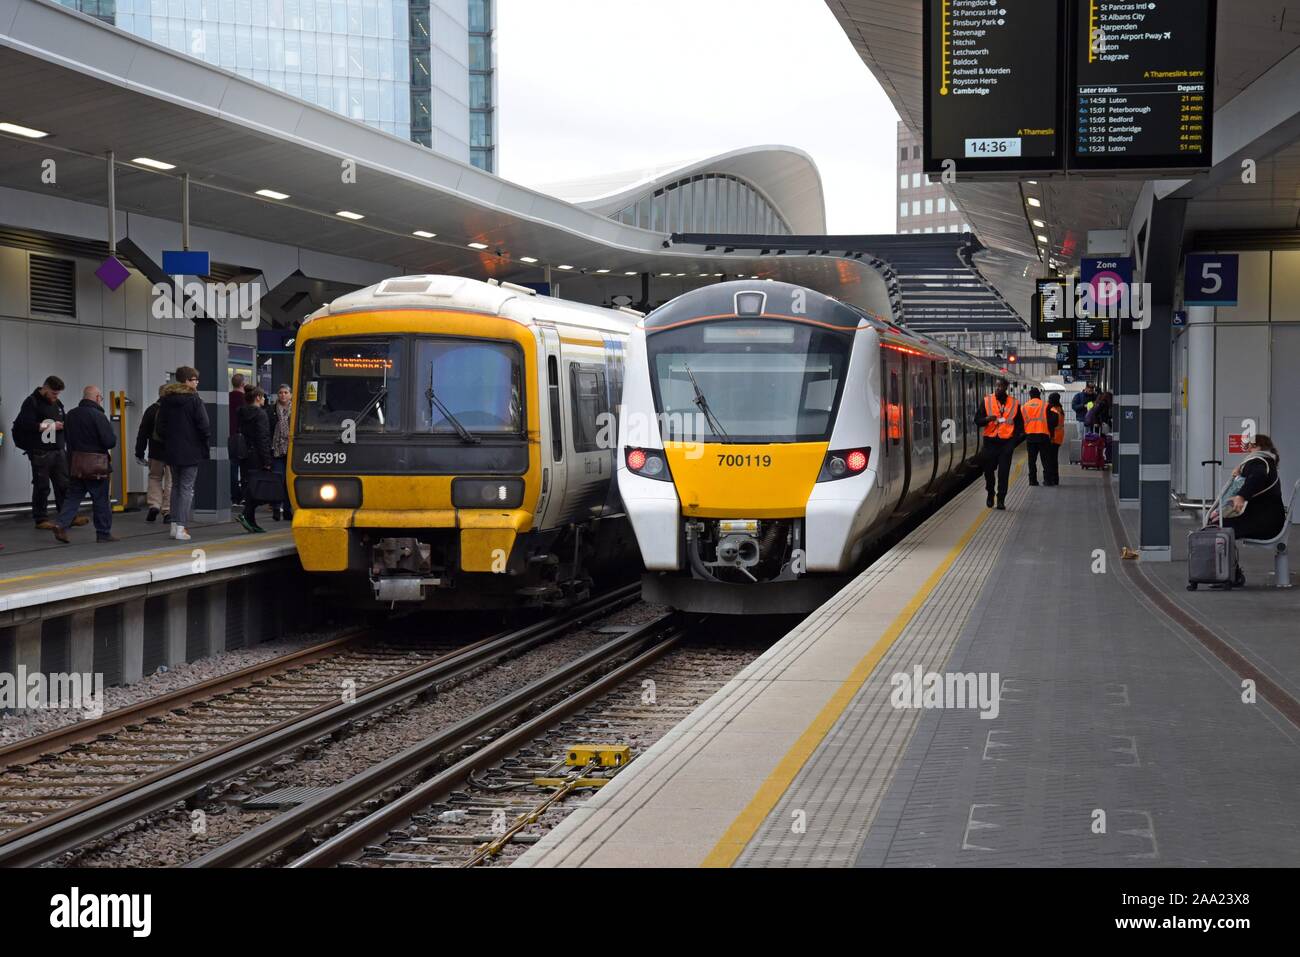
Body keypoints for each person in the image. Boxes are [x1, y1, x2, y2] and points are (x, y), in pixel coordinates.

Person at [11, 375, 87, 530]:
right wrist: (51, 426)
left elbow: (62, 420)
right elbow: (27, 425)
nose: (55, 396)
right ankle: (41, 519)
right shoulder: (31, 402)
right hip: (40, 452)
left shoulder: (57, 403)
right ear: (45, 388)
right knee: (42, 486)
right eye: (53, 393)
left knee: (64, 485)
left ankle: (68, 516)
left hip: (58, 451)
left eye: (57, 394)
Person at [51, 386, 117, 543]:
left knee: (73, 497)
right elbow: (110, 441)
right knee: (101, 499)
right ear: (97, 398)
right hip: (96, 466)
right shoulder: (98, 415)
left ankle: (61, 524)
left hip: (76, 463)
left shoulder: (71, 415)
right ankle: (103, 533)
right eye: (100, 398)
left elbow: (67, 438)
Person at [158, 366, 211, 542]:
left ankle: (174, 525)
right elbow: (204, 425)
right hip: (191, 450)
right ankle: (181, 527)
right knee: (187, 488)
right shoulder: (195, 400)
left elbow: (160, 427)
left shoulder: (166, 400)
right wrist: (203, 441)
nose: (197, 382)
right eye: (194, 379)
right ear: (187, 381)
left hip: (172, 450)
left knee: (175, 486)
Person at [1209, 435, 1286, 542]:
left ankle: (1216, 557)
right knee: (1219, 523)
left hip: (1264, 523)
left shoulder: (1258, 461)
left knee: (1214, 527)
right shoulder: (1268, 462)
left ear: (1259, 447)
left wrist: (1241, 496)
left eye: (1251, 446)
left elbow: (1258, 475)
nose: (1248, 450)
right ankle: (1223, 556)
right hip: (1272, 521)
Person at [975, 378, 1022, 510]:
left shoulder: (1014, 403)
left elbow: (1019, 424)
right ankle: (990, 492)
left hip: (1006, 443)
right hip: (990, 442)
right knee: (988, 470)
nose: (997, 388)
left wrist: (1013, 441)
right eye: (996, 386)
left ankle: (1001, 499)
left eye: (1000, 386)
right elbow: (977, 420)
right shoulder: (986, 401)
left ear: (1006, 388)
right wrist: (986, 419)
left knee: (1004, 472)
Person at [235, 387, 273, 533]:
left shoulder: (241, 412)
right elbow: (262, 438)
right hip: (257, 455)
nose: (264, 399)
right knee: (258, 487)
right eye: (263, 397)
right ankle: (246, 514)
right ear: (257, 397)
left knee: (249, 485)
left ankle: (250, 519)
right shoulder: (261, 414)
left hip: (244, 454)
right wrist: (267, 460)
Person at [134, 384, 172, 524]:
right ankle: (167, 510)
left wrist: (139, 452)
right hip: (171, 453)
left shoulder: (151, 410)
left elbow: (142, 433)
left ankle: (154, 505)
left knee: (154, 477)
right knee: (170, 480)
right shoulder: (174, 410)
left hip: (155, 452)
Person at [267, 383, 294, 521]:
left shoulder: (295, 410)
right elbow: (268, 431)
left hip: (291, 450)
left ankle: (288, 510)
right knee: (278, 479)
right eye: (280, 393)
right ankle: (276, 508)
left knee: (288, 481)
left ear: (290, 395)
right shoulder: (271, 410)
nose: (283, 395)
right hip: (276, 450)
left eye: (285, 392)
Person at [1021, 387, 1051, 487]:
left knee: (1031, 460)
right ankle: (1047, 480)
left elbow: (1021, 422)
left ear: (1030, 395)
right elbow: (1051, 421)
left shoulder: (1024, 406)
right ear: (1039, 395)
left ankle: (1032, 481)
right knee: (1046, 459)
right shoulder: (1045, 405)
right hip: (1043, 435)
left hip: (1030, 436)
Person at [229, 373, 246, 505]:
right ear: (243, 384)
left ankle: (234, 495)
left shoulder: (227, 397)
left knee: (232, 467)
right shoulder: (245, 399)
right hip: (241, 436)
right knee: (244, 467)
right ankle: (244, 495)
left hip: (229, 435)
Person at [1044, 392, 1065, 486]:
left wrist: (1051, 437)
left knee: (1050, 459)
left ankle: (1052, 479)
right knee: (1054, 459)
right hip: (1059, 436)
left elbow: (1051, 425)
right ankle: (1055, 479)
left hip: (1053, 437)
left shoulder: (1052, 410)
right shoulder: (1060, 409)